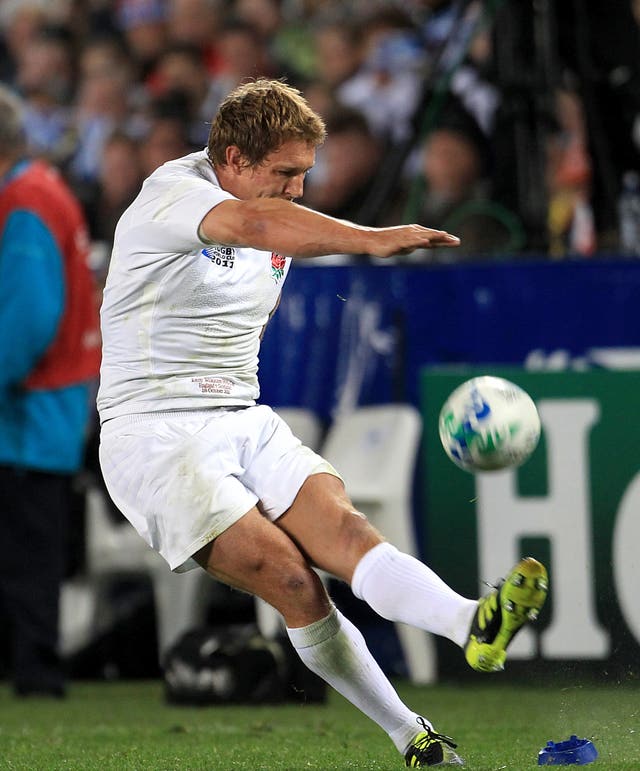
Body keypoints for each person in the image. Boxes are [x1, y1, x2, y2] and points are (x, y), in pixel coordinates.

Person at [97, 78, 548, 767]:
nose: (298, 190)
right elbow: (250, 226)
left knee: (346, 530)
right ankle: (411, 734)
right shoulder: (172, 192)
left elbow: (266, 235)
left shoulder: (271, 205)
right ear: (232, 158)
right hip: (154, 434)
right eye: (285, 174)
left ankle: (471, 623)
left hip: (240, 416)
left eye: (306, 174)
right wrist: (371, 239)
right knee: (291, 578)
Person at [0, 85, 101, 697]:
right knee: (29, 542)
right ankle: (32, 666)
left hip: (32, 405)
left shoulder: (25, 199)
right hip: (49, 400)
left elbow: (30, 315)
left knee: (27, 545)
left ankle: (37, 672)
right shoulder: (40, 186)